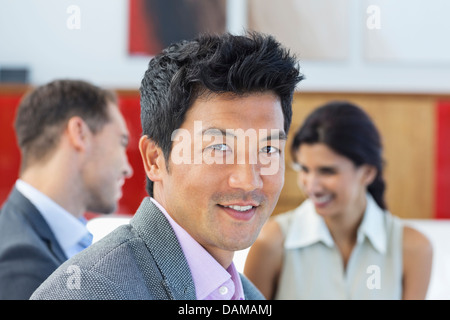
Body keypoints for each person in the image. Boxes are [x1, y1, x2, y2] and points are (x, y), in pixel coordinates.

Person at [30, 32, 304, 300]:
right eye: (219, 149)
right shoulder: (86, 292)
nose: (249, 181)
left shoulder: (248, 296)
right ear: (154, 159)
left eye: (268, 149)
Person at [244, 101, 433, 300]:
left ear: (367, 173)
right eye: (305, 170)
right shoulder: (271, 243)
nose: (312, 186)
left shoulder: (413, 249)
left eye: (327, 171)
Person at [0, 79, 133, 300]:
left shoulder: (32, 242)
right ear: (79, 133)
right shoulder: (22, 266)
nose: (127, 168)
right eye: (121, 142)